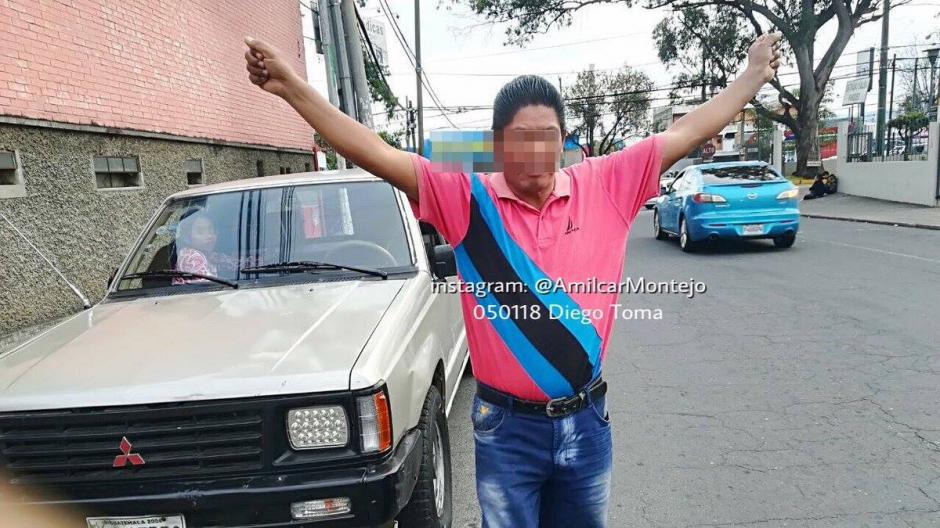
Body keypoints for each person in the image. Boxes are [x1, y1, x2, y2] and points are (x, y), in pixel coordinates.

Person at [243, 31, 781, 527]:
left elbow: (688, 130)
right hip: (506, 431)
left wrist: (753, 75)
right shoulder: (466, 201)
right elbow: (378, 154)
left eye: (548, 137)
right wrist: (293, 89)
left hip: (587, 422)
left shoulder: (608, 185)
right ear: (500, 145)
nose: (536, 153)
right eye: (522, 139)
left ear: (565, 141)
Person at [172, 209, 219, 283]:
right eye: (200, 232)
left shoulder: (208, 254)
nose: (210, 235)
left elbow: (232, 262)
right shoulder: (191, 256)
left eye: (210, 230)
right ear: (187, 237)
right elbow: (210, 286)